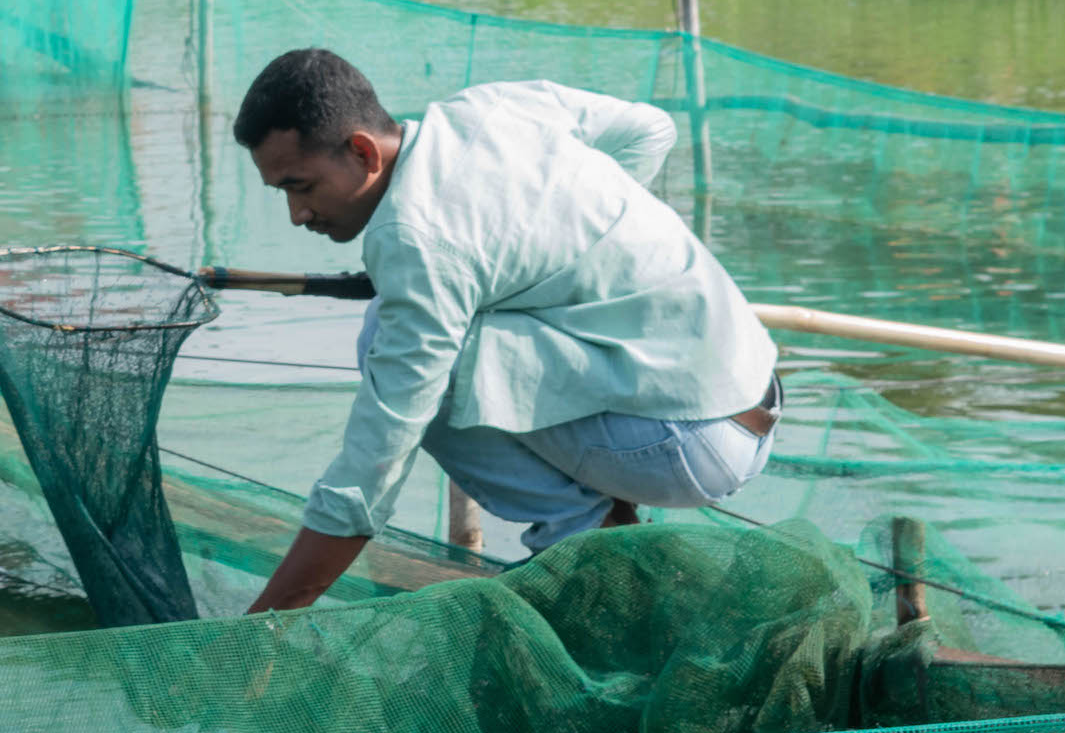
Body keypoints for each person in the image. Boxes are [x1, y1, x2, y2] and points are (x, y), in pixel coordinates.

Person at [235, 48, 780, 613]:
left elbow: (377, 459)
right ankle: (603, 524)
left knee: (384, 338)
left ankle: (579, 538)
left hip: (688, 443)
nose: (297, 215)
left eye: (301, 187)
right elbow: (649, 130)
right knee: (434, 324)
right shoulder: (492, 108)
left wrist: (271, 619)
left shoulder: (418, 241)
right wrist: (582, 243)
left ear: (362, 151)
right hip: (753, 391)